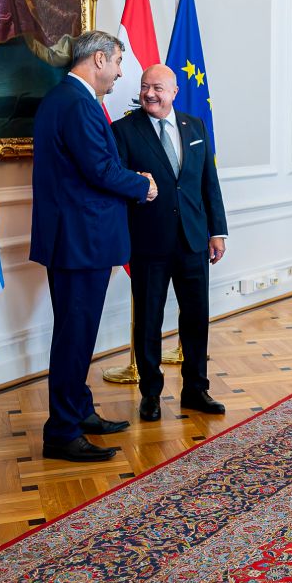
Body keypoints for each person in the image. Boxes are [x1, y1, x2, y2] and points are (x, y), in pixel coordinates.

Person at [29, 31, 156, 462]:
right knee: (74, 336)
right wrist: (144, 185)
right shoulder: (77, 104)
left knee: (76, 332)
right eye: (118, 62)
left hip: (75, 239)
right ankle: (62, 432)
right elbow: (100, 170)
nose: (122, 72)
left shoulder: (66, 99)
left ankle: (79, 411)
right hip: (80, 241)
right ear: (98, 59)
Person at [111, 64, 229, 419]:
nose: (150, 93)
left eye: (158, 88)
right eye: (145, 87)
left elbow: (208, 181)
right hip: (149, 242)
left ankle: (196, 389)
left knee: (196, 318)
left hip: (194, 240)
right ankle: (150, 394)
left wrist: (217, 231)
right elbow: (118, 184)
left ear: (174, 91)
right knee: (148, 320)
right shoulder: (123, 131)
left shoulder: (194, 126)